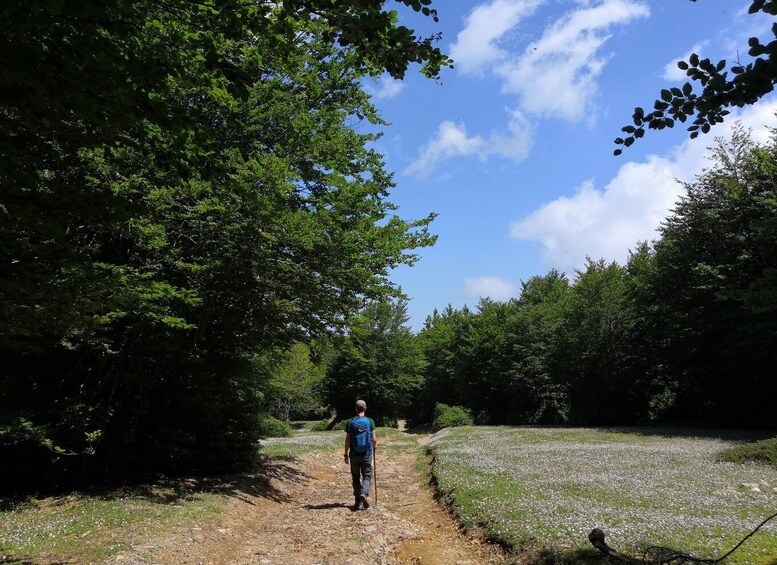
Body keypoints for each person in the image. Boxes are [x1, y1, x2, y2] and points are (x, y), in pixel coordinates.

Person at [343, 399, 377, 510]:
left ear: (356, 409)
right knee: (367, 476)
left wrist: (345, 453)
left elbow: (348, 439)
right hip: (366, 453)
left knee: (356, 477)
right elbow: (374, 439)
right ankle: (364, 493)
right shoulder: (370, 421)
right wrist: (374, 446)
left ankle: (357, 500)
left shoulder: (350, 422)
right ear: (365, 408)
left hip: (354, 454)